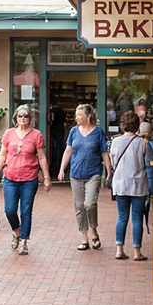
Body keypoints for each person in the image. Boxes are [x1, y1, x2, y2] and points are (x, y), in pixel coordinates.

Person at [0, 103, 51, 255]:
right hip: (10, 177)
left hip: (29, 178)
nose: (23, 118)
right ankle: (16, 231)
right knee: (9, 210)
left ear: (30, 118)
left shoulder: (36, 135)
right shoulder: (9, 134)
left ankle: (24, 241)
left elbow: (42, 157)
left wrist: (46, 176)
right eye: (20, 116)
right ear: (15, 118)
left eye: (26, 116)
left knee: (26, 210)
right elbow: (2, 155)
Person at [57, 103, 112, 251]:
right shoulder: (74, 131)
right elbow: (68, 151)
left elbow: (104, 153)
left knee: (89, 204)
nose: (76, 118)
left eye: (79, 115)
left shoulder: (98, 132)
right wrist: (62, 169)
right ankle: (85, 237)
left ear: (88, 116)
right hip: (76, 174)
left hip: (93, 173)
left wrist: (109, 172)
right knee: (79, 206)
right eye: (76, 115)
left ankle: (93, 230)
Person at [111, 110, 152, 261]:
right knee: (137, 218)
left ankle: (119, 250)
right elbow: (148, 164)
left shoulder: (115, 142)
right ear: (137, 126)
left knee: (122, 217)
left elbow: (113, 162)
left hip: (121, 183)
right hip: (138, 184)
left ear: (122, 125)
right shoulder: (142, 143)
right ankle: (136, 252)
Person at [49, 104, 66, 177]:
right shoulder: (61, 111)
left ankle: (55, 168)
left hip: (54, 132)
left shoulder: (52, 111)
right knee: (60, 150)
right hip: (60, 132)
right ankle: (59, 167)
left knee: (54, 151)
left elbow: (50, 120)